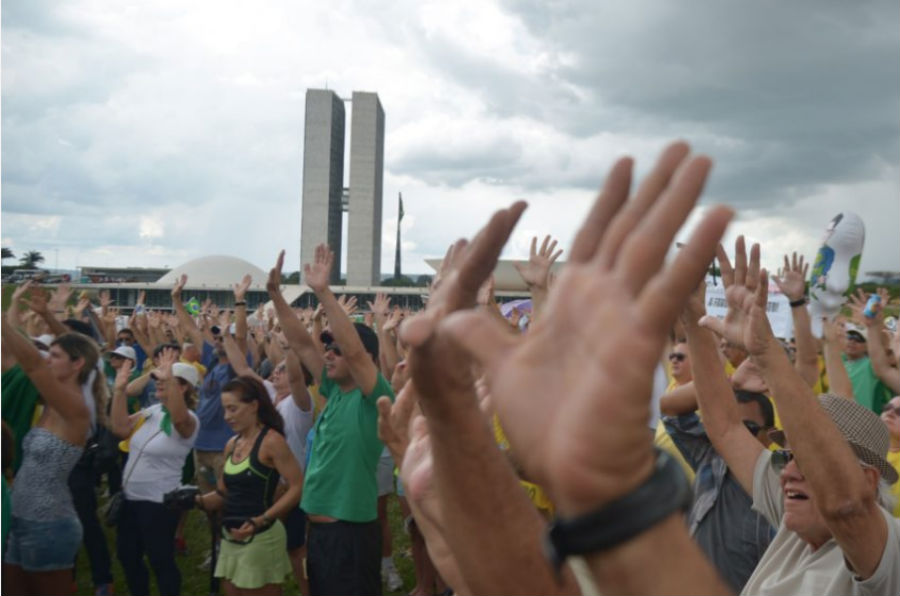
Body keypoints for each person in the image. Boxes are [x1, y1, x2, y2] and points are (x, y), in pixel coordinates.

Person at [696, 237, 900, 595]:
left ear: (867, 481)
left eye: (807, 460)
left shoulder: (884, 554)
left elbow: (845, 506)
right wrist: (691, 314)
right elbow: (725, 428)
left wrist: (765, 353)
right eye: (789, 455)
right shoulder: (800, 521)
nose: (787, 471)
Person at [268, 247, 395, 596]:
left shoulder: (374, 398)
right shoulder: (334, 390)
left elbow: (354, 350)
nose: (329, 353)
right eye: (328, 348)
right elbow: (299, 343)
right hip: (321, 533)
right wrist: (277, 295)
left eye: (336, 349)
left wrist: (324, 293)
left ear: (365, 360)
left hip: (351, 535)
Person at [662, 282, 775, 591]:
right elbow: (671, 410)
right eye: (725, 427)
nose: (731, 437)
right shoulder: (712, 457)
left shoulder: (784, 489)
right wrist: (729, 382)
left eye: (747, 429)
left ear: (770, 438)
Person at [2, 288, 96, 596]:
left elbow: (31, 364)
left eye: (55, 356)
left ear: (77, 364)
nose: (48, 360)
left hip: (49, 526)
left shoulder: (76, 409)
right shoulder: (49, 404)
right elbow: (18, 357)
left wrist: (3, 322)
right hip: (20, 517)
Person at [195, 375, 303, 596]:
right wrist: (192, 500)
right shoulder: (232, 444)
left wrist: (262, 519)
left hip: (261, 537)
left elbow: (297, 486)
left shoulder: (272, 442)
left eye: (233, 409)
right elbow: (223, 493)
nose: (227, 416)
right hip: (231, 536)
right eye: (225, 409)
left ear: (254, 406)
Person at [109, 347, 200, 596]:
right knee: (127, 556)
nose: (158, 382)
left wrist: (167, 377)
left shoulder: (190, 419)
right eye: (157, 379)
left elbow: (179, 421)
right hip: (132, 499)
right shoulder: (153, 411)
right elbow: (119, 427)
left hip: (159, 503)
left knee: (161, 560)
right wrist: (119, 390)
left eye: (166, 380)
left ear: (183, 388)